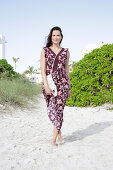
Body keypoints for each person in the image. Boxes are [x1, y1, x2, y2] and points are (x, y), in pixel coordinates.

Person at [40, 26, 71, 146]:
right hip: (50, 83)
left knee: (59, 111)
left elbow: (67, 70)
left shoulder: (66, 51)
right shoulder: (45, 50)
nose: (56, 37)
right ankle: (59, 134)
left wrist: (68, 87)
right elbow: (43, 70)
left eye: (58, 35)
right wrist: (46, 85)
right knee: (52, 110)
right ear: (50, 37)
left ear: (61, 37)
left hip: (62, 84)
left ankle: (53, 141)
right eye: (53, 35)